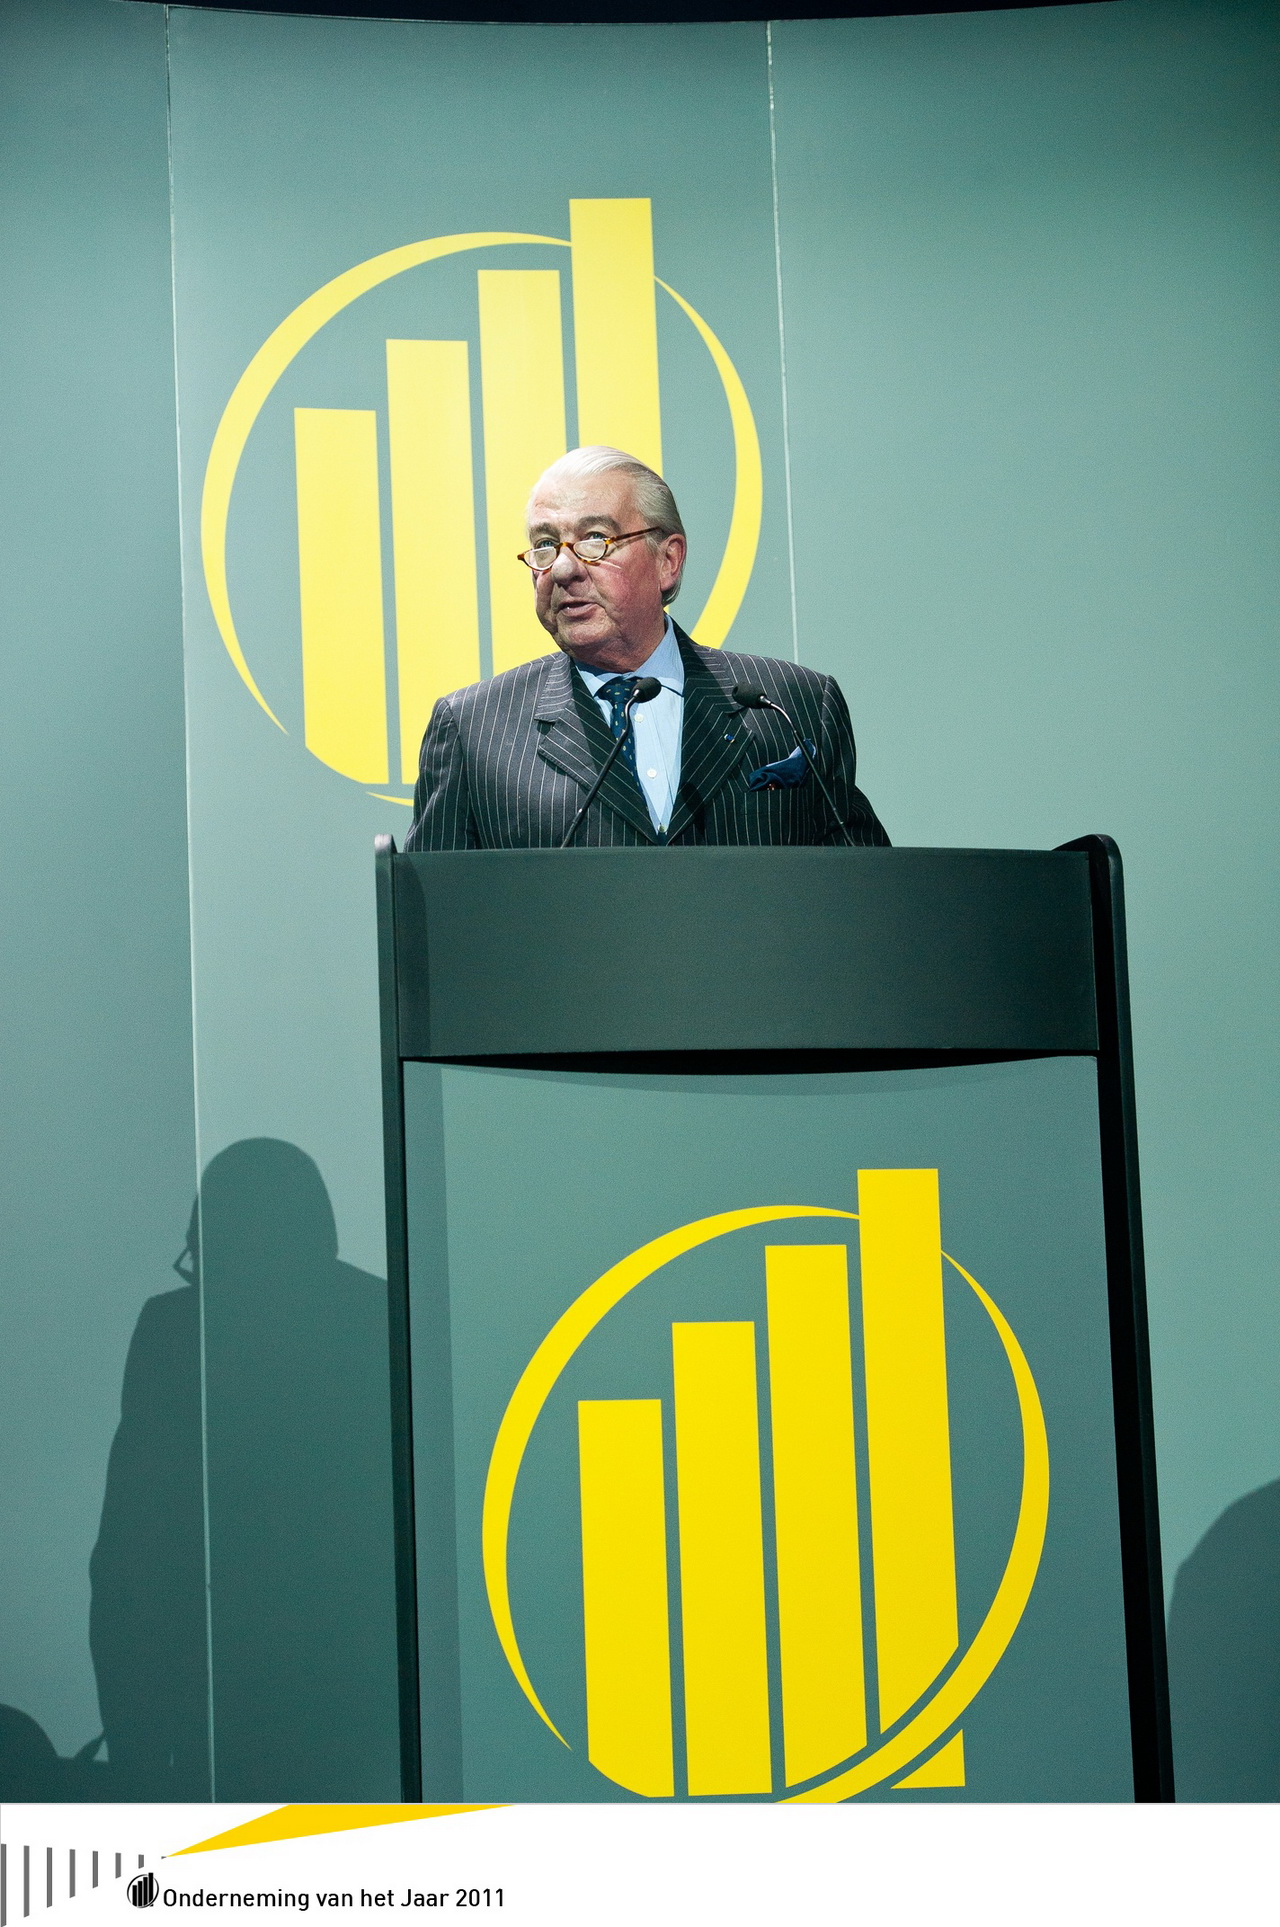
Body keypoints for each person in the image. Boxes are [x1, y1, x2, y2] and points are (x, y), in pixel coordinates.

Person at [405, 446, 888, 850]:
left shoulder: (793, 705)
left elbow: (865, 893)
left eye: (595, 538)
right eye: (546, 544)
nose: (563, 570)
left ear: (668, 561)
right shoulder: (473, 730)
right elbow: (441, 916)